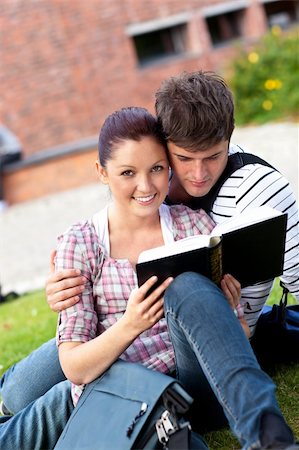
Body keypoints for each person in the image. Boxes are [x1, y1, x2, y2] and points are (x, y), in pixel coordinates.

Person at [0, 74, 298, 443]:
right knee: (24, 395)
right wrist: (103, 309)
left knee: (186, 287)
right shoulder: (96, 232)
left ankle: (266, 435)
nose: (197, 173)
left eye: (156, 169)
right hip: (116, 359)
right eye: (183, 159)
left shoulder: (213, 214)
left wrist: (227, 310)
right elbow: (76, 362)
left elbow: (244, 326)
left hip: (190, 370)